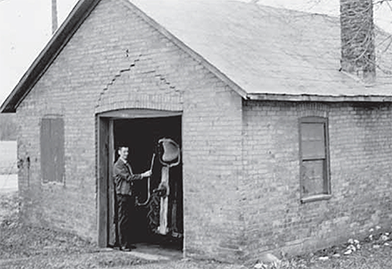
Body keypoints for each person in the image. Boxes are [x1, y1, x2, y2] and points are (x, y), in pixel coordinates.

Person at [113, 146, 152, 251]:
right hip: (122, 194)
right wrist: (143, 175)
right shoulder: (118, 166)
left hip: (128, 194)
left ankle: (127, 242)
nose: (126, 153)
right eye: (124, 151)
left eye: (127, 151)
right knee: (122, 220)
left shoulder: (126, 164)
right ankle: (122, 244)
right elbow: (128, 178)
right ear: (119, 152)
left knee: (127, 220)